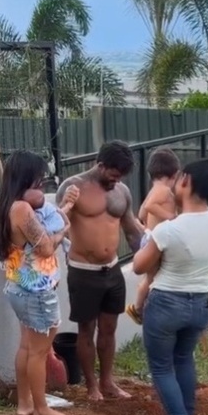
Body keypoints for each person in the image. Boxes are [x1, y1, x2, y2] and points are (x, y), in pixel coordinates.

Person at [132, 151, 208, 415]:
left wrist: (147, 241)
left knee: (162, 367)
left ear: (185, 181)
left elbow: (138, 266)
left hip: (166, 304)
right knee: (184, 359)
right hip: (201, 302)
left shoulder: (168, 230)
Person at [0, 151, 80, 415]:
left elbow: (39, 229)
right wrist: (63, 231)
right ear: (25, 179)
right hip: (36, 292)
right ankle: (43, 410)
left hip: (19, 287)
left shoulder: (7, 205)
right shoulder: (22, 209)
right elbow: (45, 248)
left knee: (27, 347)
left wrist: (63, 209)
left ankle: (25, 403)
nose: (42, 184)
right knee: (39, 351)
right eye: (38, 180)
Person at [56, 141, 144, 401]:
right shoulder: (73, 187)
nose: (117, 181)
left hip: (112, 271)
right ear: (100, 165)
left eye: (121, 177)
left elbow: (131, 230)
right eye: (113, 175)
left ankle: (107, 382)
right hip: (84, 271)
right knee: (86, 329)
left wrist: (149, 256)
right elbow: (56, 225)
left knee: (109, 328)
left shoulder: (122, 191)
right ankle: (91, 386)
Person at [126, 148, 181, 325]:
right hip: (154, 241)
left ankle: (141, 306)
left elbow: (142, 212)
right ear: (175, 174)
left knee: (151, 277)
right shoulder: (164, 190)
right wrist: (171, 216)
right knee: (152, 278)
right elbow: (150, 206)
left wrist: (149, 224)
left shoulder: (154, 189)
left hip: (149, 236)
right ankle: (137, 308)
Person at [23, 188, 70, 255]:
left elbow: (37, 220)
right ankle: (65, 243)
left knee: (42, 231)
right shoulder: (48, 205)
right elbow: (58, 211)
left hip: (53, 226)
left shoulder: (39, 211)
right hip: (60, 222)